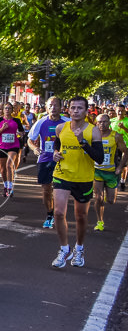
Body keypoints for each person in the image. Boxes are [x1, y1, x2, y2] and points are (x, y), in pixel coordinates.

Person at [50, 96, 105, 269]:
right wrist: (56, 153)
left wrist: (82, 142)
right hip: (62, 174)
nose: (75, 111)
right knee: (58, 213)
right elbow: (57, 145)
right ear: (68, 110)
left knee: (81, 216)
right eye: (73, 107)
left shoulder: (93, 131)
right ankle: (64, 249)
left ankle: (79, 248)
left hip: (83, 178)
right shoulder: (61, 128)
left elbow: (100, 158)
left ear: (86, 111)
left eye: (79, 108)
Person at [27, 96, 64, 228]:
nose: (53, 108)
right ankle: (49, 214)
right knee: (46, 190)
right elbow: (30, 140)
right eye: (50, 105)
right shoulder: (41, 122)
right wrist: (35, 148)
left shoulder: (67, 122)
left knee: (60, 190)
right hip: (45, 159)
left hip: (62, 160)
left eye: (56, 105)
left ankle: (59, 213)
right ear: (47, 108)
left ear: (61, 107)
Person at [92, 113, 127, 232]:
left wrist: (120, 167)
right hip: (97, 171)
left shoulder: (116, 136)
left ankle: (108, 196)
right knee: (98, 198)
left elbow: (125, 152)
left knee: (111, 201)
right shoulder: (93, 135)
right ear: (96, 123)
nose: (102, 124)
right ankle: (99, 221)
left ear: (109, 123)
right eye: (100, 122)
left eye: (105, 121)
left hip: (111, 172)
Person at [0, 103, 23, 198]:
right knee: (3, 169)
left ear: (12, 110)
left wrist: (20, 134)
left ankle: (10, 187)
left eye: (9, 108)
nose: (7, 110)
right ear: (3, 110)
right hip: (2, 146)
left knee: (9, 165)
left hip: (14, 145)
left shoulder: (16, 121)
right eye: (6, 108)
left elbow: (22, 132)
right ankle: (5, 186)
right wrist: (2, 129)